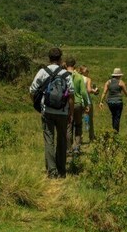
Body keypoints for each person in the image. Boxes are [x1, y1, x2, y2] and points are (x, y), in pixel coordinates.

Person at [29, 47, 74, 179]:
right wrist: (70, 113)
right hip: (62, 112)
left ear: (49, 58)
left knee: (49, 140)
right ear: (60, 59)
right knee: (62, 140)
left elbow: (32, 90)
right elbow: (71, 96)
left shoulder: (43, 72)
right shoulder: (66, 74)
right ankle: (62, 170)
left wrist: (39, 105)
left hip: (47, 111)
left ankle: (52, 171)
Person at [65, 57, 90, 154]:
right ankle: (77, 147)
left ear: (66, 65)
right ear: (74, 66)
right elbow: (84, 92)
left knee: (68, 126)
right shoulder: (79, 77)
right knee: (78, 125)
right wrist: (86, 104)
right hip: (78, 103)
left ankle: (68, 147)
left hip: (67, 104)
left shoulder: (63, 75)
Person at [99, 68, 127, 133]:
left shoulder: (108, 82)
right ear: (119, 75)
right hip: (118, 102)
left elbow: (104, 92)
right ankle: (116, 133)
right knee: (117, 117)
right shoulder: (121, 82)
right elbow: (126, 93)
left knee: (113, 116)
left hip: (110, 102)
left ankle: (114, 130)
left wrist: (101, 101)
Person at [79, 65, 99, 142]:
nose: (88, 72)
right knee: (90, 119)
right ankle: (91, 136)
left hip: (78, 101)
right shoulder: (88, 79)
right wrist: (95, 91)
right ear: (84, 72)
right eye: (87, 71)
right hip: (87, 101)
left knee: (79, 120)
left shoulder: (76, 78)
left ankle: (79, 137)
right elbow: (89, 90)